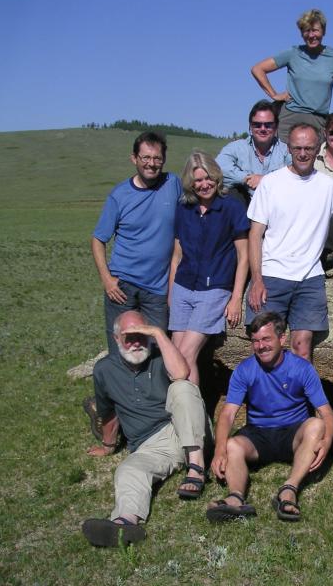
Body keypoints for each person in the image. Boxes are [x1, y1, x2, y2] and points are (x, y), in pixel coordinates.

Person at [81, 311, 208, 547]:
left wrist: (158, 334)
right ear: (116, 339)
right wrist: (109, 446)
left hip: (185, 428)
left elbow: (182, 373)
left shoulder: (161, 355)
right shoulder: (104, 370)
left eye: (142, 335)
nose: (137, 343)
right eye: (129, 337)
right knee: (128, 470)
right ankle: (125, 523)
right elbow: (108, 412)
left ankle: (197, 468)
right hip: (150, 446)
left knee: (183, 387)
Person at [206, 313, 333, 522]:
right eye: (255, 341)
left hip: (293, 433)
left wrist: (327, 441)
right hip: (258, 434)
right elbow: (228, 414)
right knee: (231, 445)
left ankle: (288, 490)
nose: (261, 346)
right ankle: (235, 498)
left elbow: (326, 412)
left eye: (266, 339)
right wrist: (219, 450)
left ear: (282, 339)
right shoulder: (244, 370)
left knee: (316, 425)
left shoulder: (302, 368)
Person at [246, 123, 333, 361]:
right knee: (264, 348)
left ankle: (298, 399)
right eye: (298, 148)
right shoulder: (271, 183)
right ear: (289, 148)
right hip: (272, 275)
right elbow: (255, 234)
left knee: (302, 347)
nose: (303, 153)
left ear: (318, 148)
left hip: (309, 277)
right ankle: (267, 398)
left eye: (308, 148)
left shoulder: (328, 187)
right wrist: (256, 279)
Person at [92, 131, 180, 354]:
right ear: (134, 159)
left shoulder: (173, 185)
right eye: (146, 158)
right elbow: (98, 239)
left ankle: (155, 390)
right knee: (120, 347)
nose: (152, 164)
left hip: (158, 289)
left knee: (158, 351)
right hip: (123, 286)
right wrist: (107, 280)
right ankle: (117, 388)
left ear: (164, 159)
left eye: (157, 158)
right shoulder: (119, 195)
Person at [168, 150, 249, 388]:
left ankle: (192, 420)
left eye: (208, 178)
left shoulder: (232, 208)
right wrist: (172, 293)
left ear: (216, 177)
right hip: (183, 286)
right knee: (174, 355)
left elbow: (243, 257)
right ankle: (181, 416)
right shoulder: (184, 209)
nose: (204, 185)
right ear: (190, 184)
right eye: (198, 181)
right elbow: (176, 255)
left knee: (184, 356)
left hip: (213, 290)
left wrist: (235, 298)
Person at [251, 9, 333, 143]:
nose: (311, 35)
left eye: (315, 30)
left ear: (324, 31)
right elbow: (258, 69)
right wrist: (274, 95)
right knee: (283, 161)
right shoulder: (293, 53)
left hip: (318, 120)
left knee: (315, 161)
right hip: (290, 117)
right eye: (306, 31)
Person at [215, 100, 291, 205]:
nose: (262, 129)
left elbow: (296, 174)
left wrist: (266, 180)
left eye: (268, 125)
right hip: (246, 206)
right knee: (234, 192)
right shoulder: (237, 147)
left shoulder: (286, 150)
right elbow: (218, 167)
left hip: (277, 205)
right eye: (257, 125)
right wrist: (246, 178)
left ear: (276, 126)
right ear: (250, 126)